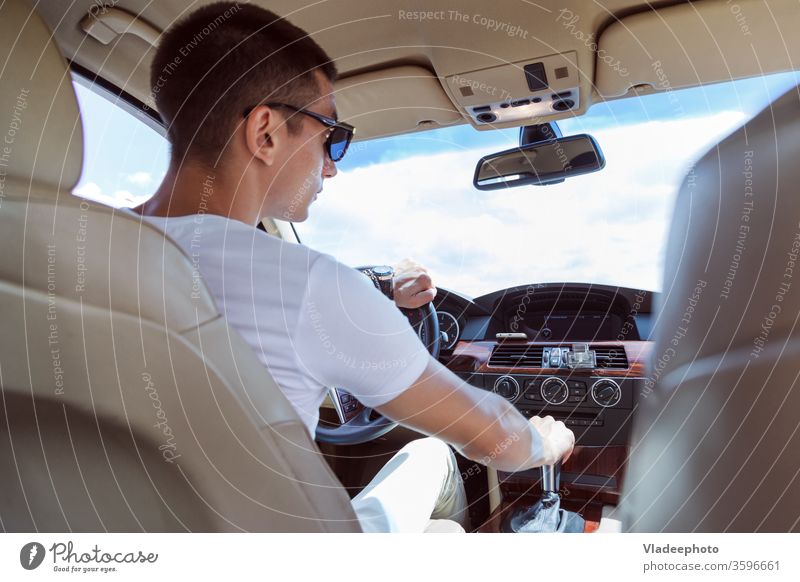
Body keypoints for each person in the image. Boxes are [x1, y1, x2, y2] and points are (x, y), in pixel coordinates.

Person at [131, 2, 574, 533]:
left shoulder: (57, 251)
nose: (333, 166)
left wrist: (383, 296)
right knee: (446, 518)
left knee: (430, 466)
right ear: (265, 133)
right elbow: (494, 438)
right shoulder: (310, 287)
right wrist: (546, 441)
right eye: (330, 136)